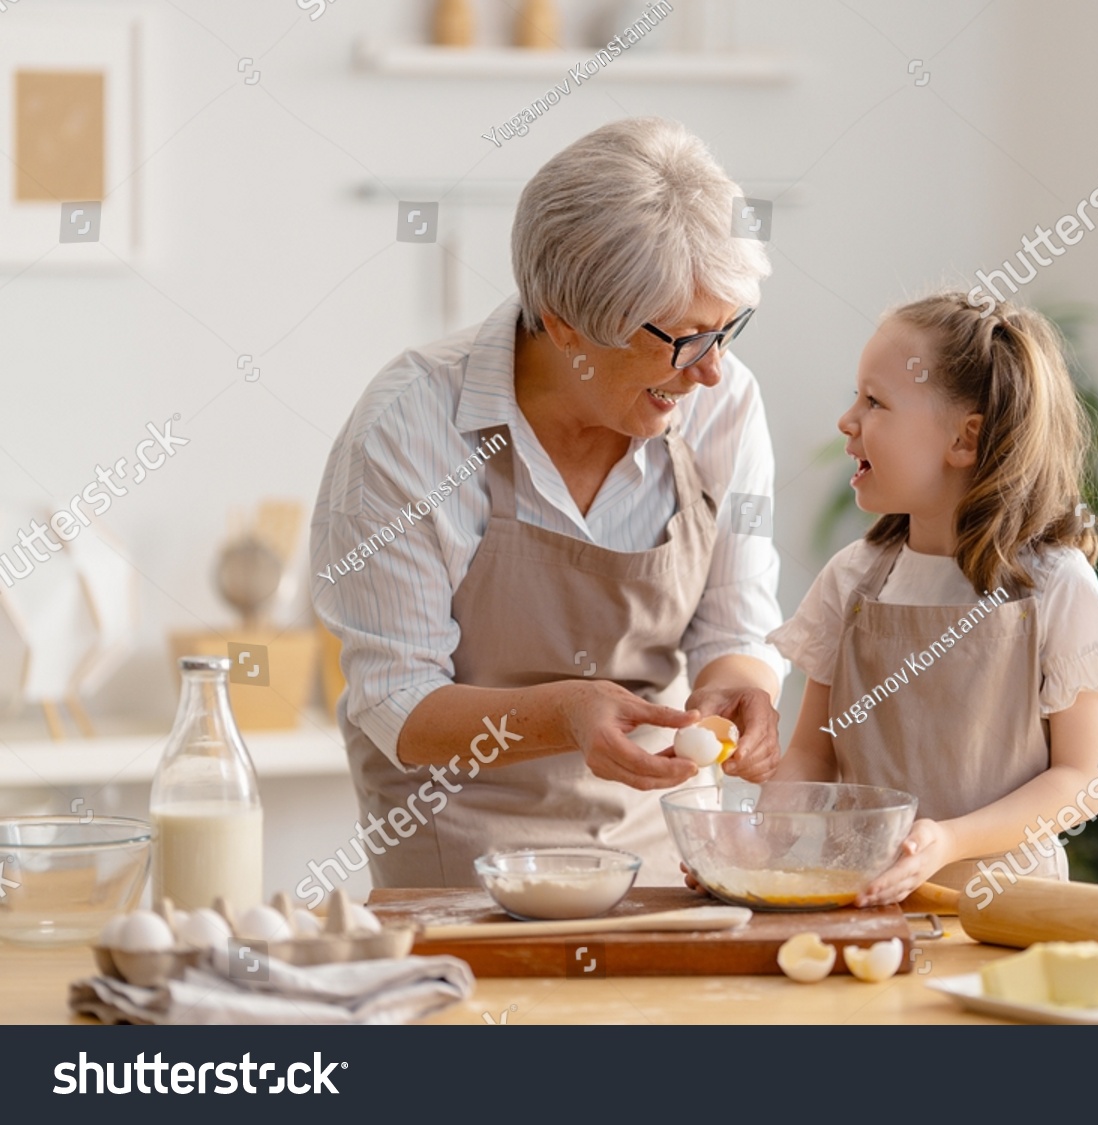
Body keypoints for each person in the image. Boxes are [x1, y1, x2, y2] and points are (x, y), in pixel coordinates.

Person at [310, 117, 785, 891]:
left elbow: (738, 618)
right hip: (466, 861)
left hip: (666, 849)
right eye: (686, 340)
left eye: (728, 329)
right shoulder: (411, 426)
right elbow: (396, 701)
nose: (712, 370)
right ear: (566, 326)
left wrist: (743, 688)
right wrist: (566, 713)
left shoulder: (724, 403)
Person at [768, 291, 1098, 905]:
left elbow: (1083, 779)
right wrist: (754, 847)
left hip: (1008, 916)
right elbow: (812, 755)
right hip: (866, 907)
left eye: (874, 401)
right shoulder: (852, 580)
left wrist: (949, 841)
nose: (847, 420)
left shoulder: (1054, 585)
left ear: (964, 440)